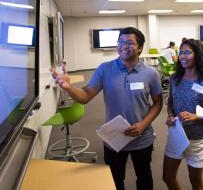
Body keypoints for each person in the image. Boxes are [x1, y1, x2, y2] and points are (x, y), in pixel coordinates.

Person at [50, 27, 163, 190]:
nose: (124, 46)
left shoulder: (151, 73)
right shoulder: (105, 69)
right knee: (114, 179)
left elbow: (158, 103)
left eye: (130, 42)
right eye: (121, 42)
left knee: (144, 176)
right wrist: (68, 87)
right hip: (114, 137)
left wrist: (143, 124)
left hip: (142, 137)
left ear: (140, 48)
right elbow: (85, 96)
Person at [162, 39, 203, 190]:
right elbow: (170, 102)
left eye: (187, 52)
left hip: (197, 138)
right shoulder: (175, 78)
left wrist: (197, 116)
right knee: (167, 177)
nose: (182, 56)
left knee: (195, 181)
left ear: (198, 55)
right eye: (181, 52)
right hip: (177, 134)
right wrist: (170, 114)